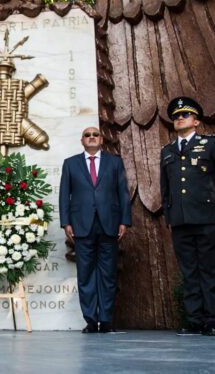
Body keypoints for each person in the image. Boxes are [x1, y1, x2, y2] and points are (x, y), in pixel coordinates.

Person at [160, 97, 215, 337]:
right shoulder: (167, 150)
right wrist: (169, 216)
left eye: (184, 115)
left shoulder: (211, 144)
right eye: (176, 116)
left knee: (209, 270)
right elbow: (166, 187)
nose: (179, 119)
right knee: (189, 271)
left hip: (206, 218)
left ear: (196, 121)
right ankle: (194, 320)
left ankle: (211, 319)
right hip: (180, 220)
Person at [59, 127, 131, 333]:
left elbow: (122, 193)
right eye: (87, 135)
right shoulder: (70, 163)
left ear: (101, 139)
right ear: (82, 140)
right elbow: (65, 195)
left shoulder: (114, 162)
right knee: (86, 274)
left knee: (108, 274)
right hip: (81, 226)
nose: (92, 137)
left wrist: (124, 221)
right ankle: (91, 319)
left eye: (95, 135)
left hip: (109, 224)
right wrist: (66, 223)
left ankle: (106, 319)